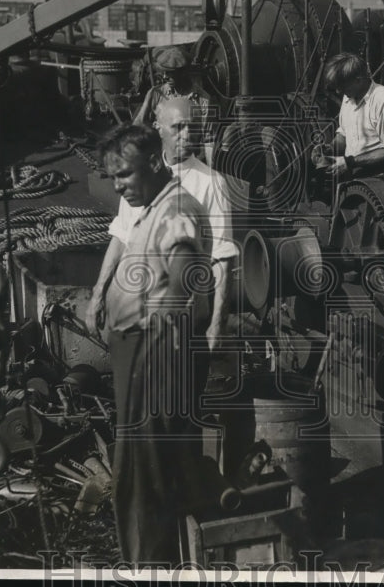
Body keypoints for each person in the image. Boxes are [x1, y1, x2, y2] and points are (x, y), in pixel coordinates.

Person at [86, 123, 212, 565]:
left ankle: (150, 566)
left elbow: (190, 283)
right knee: (142, 472)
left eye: (125, 175)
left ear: (155, 163)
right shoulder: (153, 207)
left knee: (144, 477)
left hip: (155, 353)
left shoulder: (176, 210)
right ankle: (151, 561)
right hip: (142, 351)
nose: (119, 186)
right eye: (113, 178)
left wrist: (167, 351)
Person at [90, 98, 237, 352]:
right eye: (178, 127)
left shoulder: (211, 183)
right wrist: (97, 295)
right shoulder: (140, 172)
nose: (187, 135)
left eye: (193, 127)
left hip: (181, 324)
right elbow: (121, 237)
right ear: (158, 128)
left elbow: (222, 258)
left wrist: (217, 324)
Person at [316, 52, 384, 182]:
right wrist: (329, 149)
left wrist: (350, 162)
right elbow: (344, 136)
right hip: (351, 177)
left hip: (380, 179)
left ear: (358, 80)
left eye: (342, 86)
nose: (338, 92)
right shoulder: (348, 98)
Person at [134, 44, 219, 163]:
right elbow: (138, 125)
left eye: (170, 73)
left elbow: (209, 139)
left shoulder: (203, 100)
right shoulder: (156, 94)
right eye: (164, 72)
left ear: (183, 73)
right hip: (160, 159)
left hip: (189, 160)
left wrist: (211, 172)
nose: (164, 77)